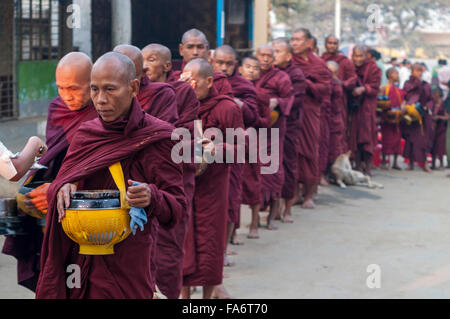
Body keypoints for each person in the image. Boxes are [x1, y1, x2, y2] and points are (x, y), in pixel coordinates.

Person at [35, 52, 186, 299]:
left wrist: (152, 196)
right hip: (81, 256)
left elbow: (177, 208)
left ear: (133, 87)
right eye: (94, 90)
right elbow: (61, 182)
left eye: (110, 90)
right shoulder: (86, 134)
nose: (100, 100)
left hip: (129, 262)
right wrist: (61, 187)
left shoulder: (158, 137)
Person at [2, 52, 98, 292]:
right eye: (61, 88)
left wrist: (54, 189)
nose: (67, 96)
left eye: (74, 88)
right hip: (48, 209)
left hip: (86, 209)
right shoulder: (58, 108)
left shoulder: (104, 112)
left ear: (92, 82)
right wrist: (35, 147)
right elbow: (52, 158)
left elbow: (99, 165)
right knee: (53, 275)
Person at [180, 58, 244, 299]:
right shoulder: (178, 104)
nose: (190, 85)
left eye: (195, 80)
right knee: (183, 245)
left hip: (213, 189)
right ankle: (183, 297)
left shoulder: (227, 108)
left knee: (209, 247)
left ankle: (208, 299)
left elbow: (242, 149)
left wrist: (218, 147)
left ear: (209, 81)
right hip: (185, 186)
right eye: (186, 79)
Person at [142, 43, 199, 299]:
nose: (144, 66)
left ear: (167, 66)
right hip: (137, 183)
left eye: (151, 60)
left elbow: (184, 135)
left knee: (168, 250)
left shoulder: (182, 91)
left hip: (171, 179)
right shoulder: (128, 93)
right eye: (140, 61)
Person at [211, 45, 258, 257]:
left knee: (231, 196)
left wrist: (240, 105)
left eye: (229, 63)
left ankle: (227, 243)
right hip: (207, 149)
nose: (224, 67)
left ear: (235, 65)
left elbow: (254, 117)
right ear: (212, 62)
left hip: (232, 147)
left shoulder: (244, 85)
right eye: (220, 63)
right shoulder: (203, 81)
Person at [290, 28, 332, 209]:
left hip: (311, 112)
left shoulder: (319, 64)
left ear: (309, 43)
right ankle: (294, 194)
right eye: (292, 40)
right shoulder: (289, 62)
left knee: (310, 151)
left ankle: (309, 194)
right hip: (292, 112)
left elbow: (325, 88)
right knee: (293, 153)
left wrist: (305, 82)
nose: (294, 43)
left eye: (298, 39)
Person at [254, 44, 294, 229]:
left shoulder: (281, 77)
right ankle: (256, 216)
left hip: (274, 129)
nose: (265, 59)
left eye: (269, 55)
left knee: (274, 171)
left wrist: (277, 100)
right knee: (255, 171)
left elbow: (289, 99)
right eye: (262, 55)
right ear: (256, 55)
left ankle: (272, 215)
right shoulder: (251, 74)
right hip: (254, 130)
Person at [272, 38, 306, 222]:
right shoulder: (269, 72)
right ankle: (273, 208)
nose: (274, 54)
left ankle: (287, 208)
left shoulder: (296, 74)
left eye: (278, 51)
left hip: (289, 124)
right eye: (273, 50)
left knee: (288, 165)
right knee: (271, 167)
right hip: (270, 125)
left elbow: (297, 100)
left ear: (288, 55)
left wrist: (279, 102)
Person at [238, 56, 271, 239]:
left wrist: (247, 113)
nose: (251, 70)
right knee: (234, 184)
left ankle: (254, 224)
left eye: (255, 68)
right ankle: (233, 231)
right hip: (231, 140)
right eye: (248, 67)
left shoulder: (262, 95)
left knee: (253, 182)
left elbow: (265, 121)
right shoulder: (229, 88)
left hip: (252, 139)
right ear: (240, 69)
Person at [113, 44, 178, 124]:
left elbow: (164, 131)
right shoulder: (102, 93)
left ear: (143, 72)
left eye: (132, 76)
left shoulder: (162, 94)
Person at [168, 28, 233, 97]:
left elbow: (227, 105)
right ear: (181, 49)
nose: (195, 52)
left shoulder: (220, 80)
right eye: (190, 47)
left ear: (207, 50)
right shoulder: (173, 78)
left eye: (200, 47)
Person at [348, 46, 382, 176]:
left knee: (367, 136)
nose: (358, 59)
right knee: (353, 137)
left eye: (360, 56)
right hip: (353, 108)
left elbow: (375, 87)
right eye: (355, 56)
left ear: (366, 56)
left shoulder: (373, 68)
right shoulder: (350, 68)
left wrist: (363, 89)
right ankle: (357, 165)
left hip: (367, 107)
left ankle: (367, 166)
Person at [402, 63, 434, 172]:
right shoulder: (407, 84)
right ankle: (410, 164)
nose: (419, 73)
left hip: (423, 117)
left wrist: (426, 107)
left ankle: (424, 163)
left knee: (424, 140)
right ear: (412, 71)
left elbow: (431, 99)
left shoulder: (426, 85)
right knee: (410, 140)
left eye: (421, 71)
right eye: (417, 70)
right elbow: (405, 96)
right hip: (411, 116)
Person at [379, 67, 405, 170]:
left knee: (397, 140)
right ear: (390, 75)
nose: (397, 76)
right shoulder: (384, 88)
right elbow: (380, 102)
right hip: (387, 118)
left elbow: (403, 100)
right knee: (387, 139)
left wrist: (403, 106)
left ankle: (395, 162)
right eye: (396, 73)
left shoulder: (399, 90)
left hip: (397, 118)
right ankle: (384, 161)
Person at [326, 61, 348, 165]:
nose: (332, 76)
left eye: (334, 73)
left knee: (335, 144)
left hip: (335, 117)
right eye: (329, 72)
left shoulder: (337, 84)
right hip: (325, 116)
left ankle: (332, 171)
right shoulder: (324, 83)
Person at [431, 87, 448, 170]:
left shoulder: (444, 104)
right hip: (434, 128)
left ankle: (441, 164)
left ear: (438, 95)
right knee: (433, 146)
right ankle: (433, 164)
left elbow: (447, 117)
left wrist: (439, 117)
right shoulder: (433, 104)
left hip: (441, 128)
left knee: (440, 146)